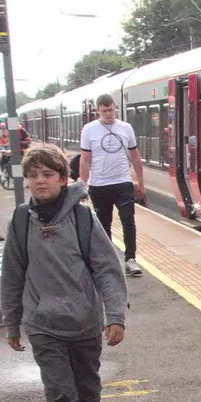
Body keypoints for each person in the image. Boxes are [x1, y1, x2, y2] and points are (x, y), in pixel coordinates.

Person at [0, 143, 129, 402]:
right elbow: (12, 274)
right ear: (26, 181)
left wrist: (115, 316)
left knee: (87, 389)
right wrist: (12, 323)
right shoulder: (22, 219)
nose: (39, 181)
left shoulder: (83, 218)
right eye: (33, 175)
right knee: (59, 396)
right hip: (43, 323)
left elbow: (106, 267)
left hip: (85, 321)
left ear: (62, 179)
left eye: (47, 174)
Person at [79, 93, 146, 278]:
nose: (108, 114)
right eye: (104, 111)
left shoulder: (126, 128)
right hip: (98, 185)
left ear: (115, 108)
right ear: (97, 111)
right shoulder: (89, 130)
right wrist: (82, 184)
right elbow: (85, 158)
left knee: (128, 221)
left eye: (111, 110)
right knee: (103, 224)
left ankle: (130, 259)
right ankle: (109, 260)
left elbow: (135, 156)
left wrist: (140, 181)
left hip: (122, 182)